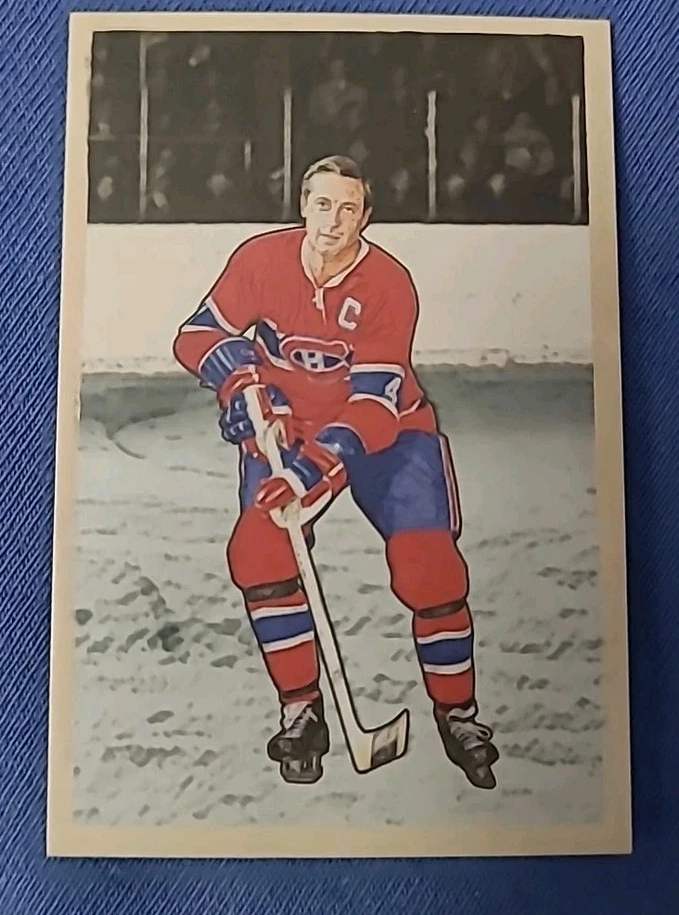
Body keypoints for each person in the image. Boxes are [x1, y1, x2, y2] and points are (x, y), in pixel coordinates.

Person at [172, 155, 499, 789]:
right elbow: (197, 332)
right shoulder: (261, 260)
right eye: (323, 204)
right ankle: (302, 711)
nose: (333, 220)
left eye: (349, 209)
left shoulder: (389, 284)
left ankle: (457, 711)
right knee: (260, 555)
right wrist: (241, 380)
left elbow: (374, 408)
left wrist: (311, 476)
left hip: (390, 437)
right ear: (303, 206)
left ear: (366, 218)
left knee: (429, 567)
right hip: (286, 433)